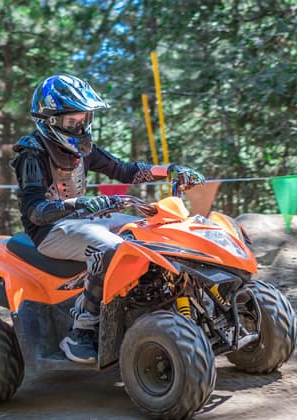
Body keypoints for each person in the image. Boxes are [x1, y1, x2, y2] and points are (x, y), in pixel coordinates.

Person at [10, 74, 205, 364]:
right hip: (50, 230)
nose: (80, 126)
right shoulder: (32, 153)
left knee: (146, 231)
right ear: (50, 121)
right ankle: (81, 332)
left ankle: (160, 304)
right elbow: (36, 211)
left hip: (83, 220)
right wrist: (83, 203)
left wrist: (170, 170)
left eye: (84, 118)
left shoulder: (82, 149)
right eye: (72, 121)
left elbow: (124, 170)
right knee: (111, 249)